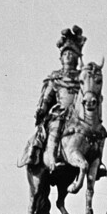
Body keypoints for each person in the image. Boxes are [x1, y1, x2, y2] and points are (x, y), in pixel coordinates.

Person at [21, 25, 86, 171]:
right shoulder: (55, 78)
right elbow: (47, 98)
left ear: (77, 57)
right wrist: (42, 109)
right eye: (65, 54)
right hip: (60, 113)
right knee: (55, 128)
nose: (68, 56)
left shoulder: (82, 78)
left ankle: (95, 161)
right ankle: (53, 160)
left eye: (72, 53)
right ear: (61, 57)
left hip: (78, 116)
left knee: (92, 132)